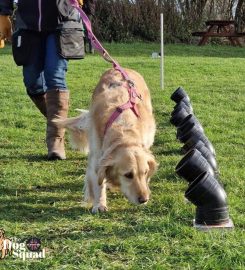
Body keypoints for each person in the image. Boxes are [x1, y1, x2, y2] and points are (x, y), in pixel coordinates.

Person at [0, 0, 84, 160]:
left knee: (55, 74)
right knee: (32, 82)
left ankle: (56, 142)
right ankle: (63, 122)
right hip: (28, 23)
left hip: (62, 19)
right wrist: (3, 12)